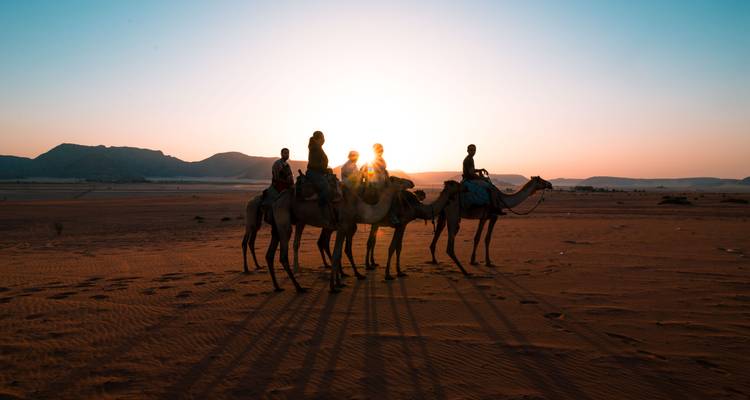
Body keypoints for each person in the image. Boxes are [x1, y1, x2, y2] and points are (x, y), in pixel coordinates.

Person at [462, 144, 505, 214]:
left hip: (469, 179)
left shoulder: (470, 158)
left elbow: (471, 170)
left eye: (474, 150)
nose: (473, 151)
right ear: (468, 150)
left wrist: (479, 170)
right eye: (471, 150)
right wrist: (482, 178)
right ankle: (494, 207)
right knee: (491, 188)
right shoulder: (469, 159)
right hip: (469, 180)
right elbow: (471, 174)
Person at [306, 130, 334, 222]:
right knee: (327, 189)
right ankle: (320, 210)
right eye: (322, 138)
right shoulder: (315, 148)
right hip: (314, 173)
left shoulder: (317, 147)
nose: (324, 140)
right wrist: (325, 170)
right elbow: (314, 165)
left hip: (319, 172)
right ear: (318, 139)